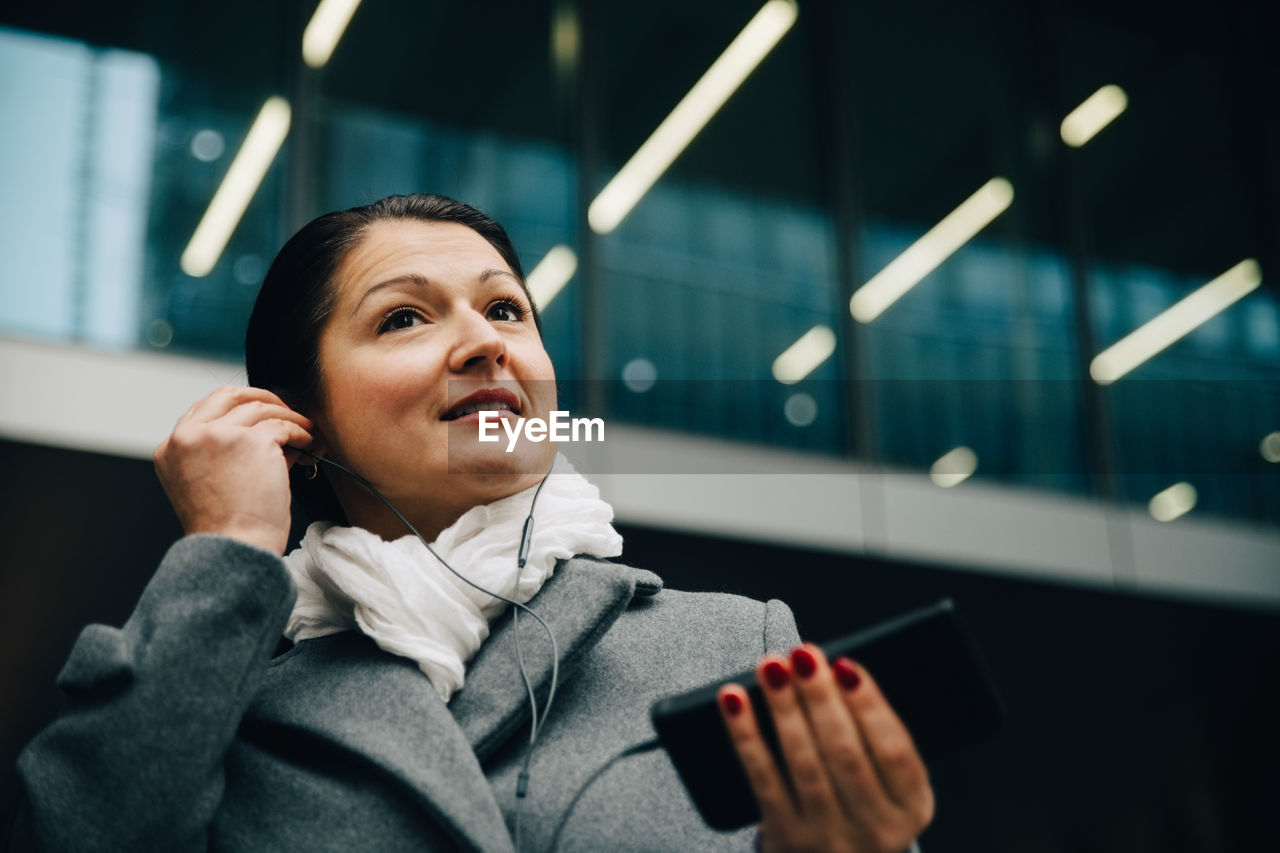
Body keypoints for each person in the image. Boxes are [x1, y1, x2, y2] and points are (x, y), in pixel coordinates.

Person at [5, 194, 934, 851]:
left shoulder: (735, 645)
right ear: (300, 421)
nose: (486, 340)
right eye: (405, 316)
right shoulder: (219, 697)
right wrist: (231, 547)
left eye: (505, 309)